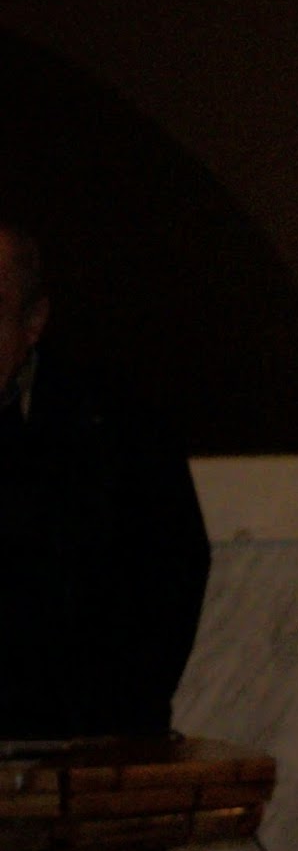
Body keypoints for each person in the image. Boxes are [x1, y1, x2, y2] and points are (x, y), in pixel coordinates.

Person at [0, 216, 212, 745]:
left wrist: (104, 728)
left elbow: (168, 580)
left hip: (78, 748)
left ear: (33, 322)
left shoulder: (117, 430)